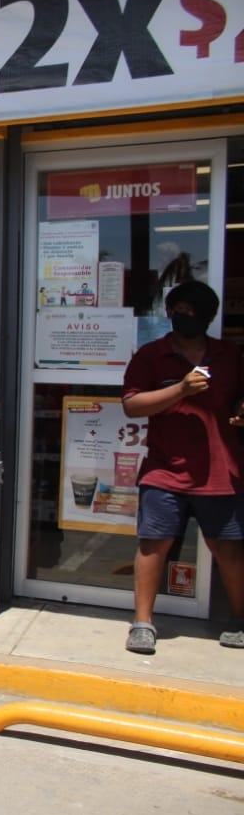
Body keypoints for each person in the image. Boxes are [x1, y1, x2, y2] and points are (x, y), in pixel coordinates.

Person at [120, 280, 244, 654]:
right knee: (153, 544)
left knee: (229, 549)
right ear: (169, 313)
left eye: (195, 313)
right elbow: (132, 405)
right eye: (180, 311)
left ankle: (239, 619)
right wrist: (180, 390)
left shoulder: (230, 356)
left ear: (208, 317)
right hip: (165, 468)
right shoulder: (150, 356)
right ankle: (142, 624)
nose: (186, 318)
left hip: (221, 470)